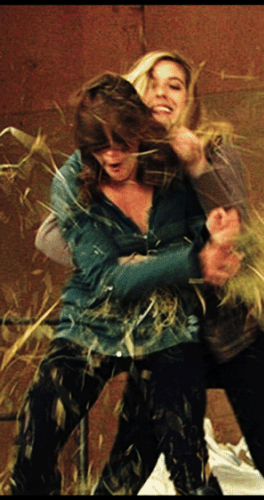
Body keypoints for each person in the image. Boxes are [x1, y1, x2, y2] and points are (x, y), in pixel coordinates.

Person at [35, 50, 264, 495]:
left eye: (175, 85)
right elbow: (50, 234)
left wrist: (197, 166)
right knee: (134, 449)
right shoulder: (116, 159)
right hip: (168, 332)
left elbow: (238, 231)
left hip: (237, 330)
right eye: (152, 83)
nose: (162, 93)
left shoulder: (211, 149)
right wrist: (120, 261)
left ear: (189, 99)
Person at [10, 72, 240, 496]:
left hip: (167, 326)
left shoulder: (170, 162)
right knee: (36, 432)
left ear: (140, 131)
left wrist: (216, 239)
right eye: (99, 147)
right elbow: (107, 277)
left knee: (183, 459)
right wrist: (193, 259)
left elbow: (209, 225)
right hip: (93, 321)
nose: (112, 155)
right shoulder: (70, 182)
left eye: (121, 142)